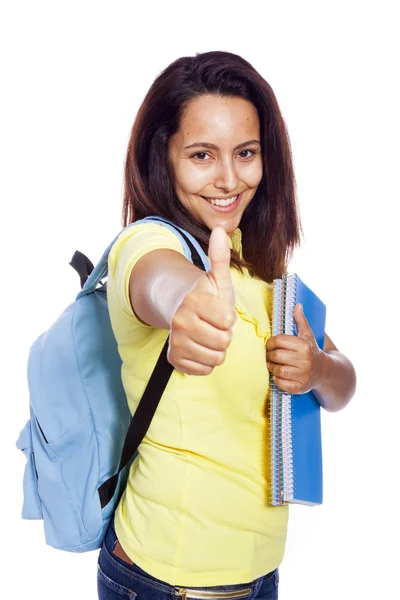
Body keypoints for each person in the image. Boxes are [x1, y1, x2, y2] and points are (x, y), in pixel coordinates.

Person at [97, 50, 356, 600]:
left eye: (246, 153)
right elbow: (159, 283)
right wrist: (187, 305)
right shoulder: (147, 244)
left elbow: (345, 384)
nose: (229, 178)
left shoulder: (264, 273)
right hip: (166, 584)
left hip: (260, 579)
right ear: (162, 158)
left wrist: (317, 369)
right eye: (201, 155)